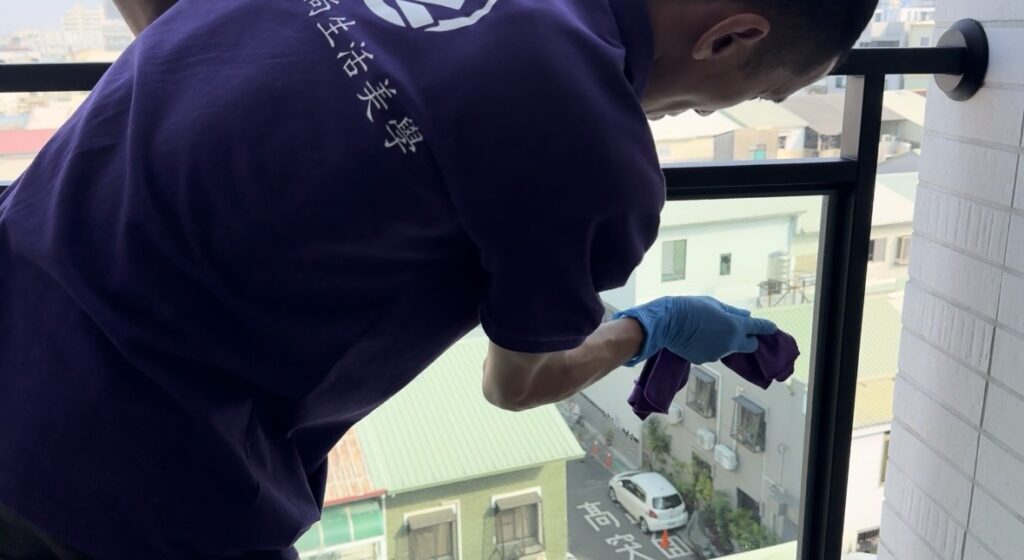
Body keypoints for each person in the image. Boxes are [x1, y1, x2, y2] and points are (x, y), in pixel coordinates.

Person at [0, 0, 876, 558]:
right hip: (125, 467)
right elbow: (515, 384)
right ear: (731, 35)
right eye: (758, 94)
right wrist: (652, 327)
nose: (708, 110)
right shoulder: (596, 157)